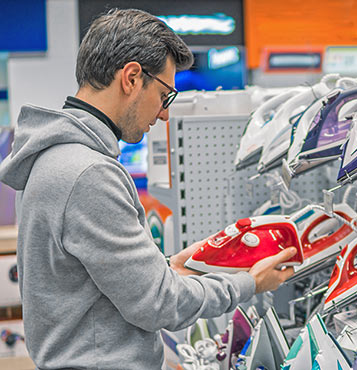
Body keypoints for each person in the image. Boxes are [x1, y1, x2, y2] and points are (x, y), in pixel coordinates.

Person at [0, 8, 296, 370]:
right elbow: (158, 305)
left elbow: (88, 285)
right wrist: (249, 283)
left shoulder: (52, 159)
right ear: (131, 77)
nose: (164, 114)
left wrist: (171, 266)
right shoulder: (88, 173)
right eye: (164, 95)